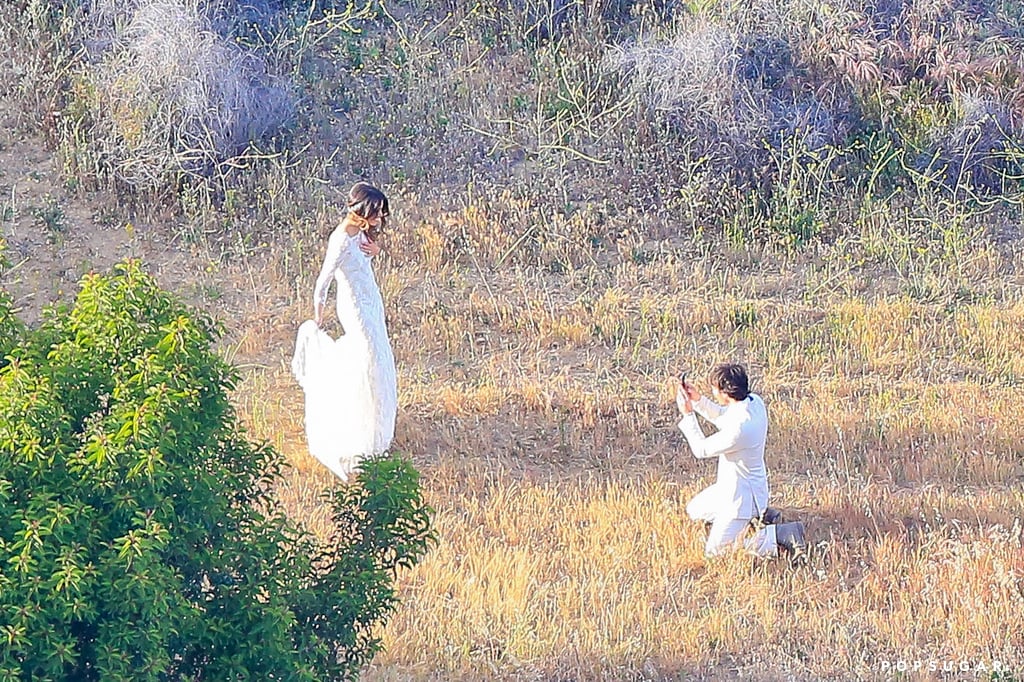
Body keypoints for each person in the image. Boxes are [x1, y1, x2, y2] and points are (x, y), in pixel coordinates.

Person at [291, 182, 397, 480]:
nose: (379, 219)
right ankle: (361, 429)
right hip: (355, 308)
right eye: (376, 213)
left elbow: (364, 258)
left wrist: (376, 249)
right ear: (362, 211)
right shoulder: (340, 240)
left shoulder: (362, 233)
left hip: (371, 301)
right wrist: (317, 319)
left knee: (379, 359)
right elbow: (322, 282)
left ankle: (377, 425)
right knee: (368, 358)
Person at [673, 363, 806, 560]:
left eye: (715, 389)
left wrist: (688, 414)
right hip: (734, 488)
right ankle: (759, 515)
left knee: (716, 553)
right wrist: (698, 401)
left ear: (725, 393)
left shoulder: (739, 430)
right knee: (695, 511)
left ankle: (779, 534)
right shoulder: (754, 402)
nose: (713, 391)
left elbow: (701, 450)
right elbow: (725, 416)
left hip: (741, 500)